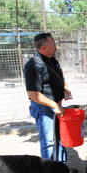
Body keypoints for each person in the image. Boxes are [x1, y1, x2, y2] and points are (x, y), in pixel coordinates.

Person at [24, 33, 72, 164]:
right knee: (48, 142)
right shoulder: (33, 65)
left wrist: (64, 89)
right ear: (44, 48)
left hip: (57, 106)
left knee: (61, 138)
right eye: (53, 45)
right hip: (44, 108)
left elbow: (60, 76)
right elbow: (33, 94)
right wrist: (54, 105)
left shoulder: (52, 59)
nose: (56, 47)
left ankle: (61, 168)